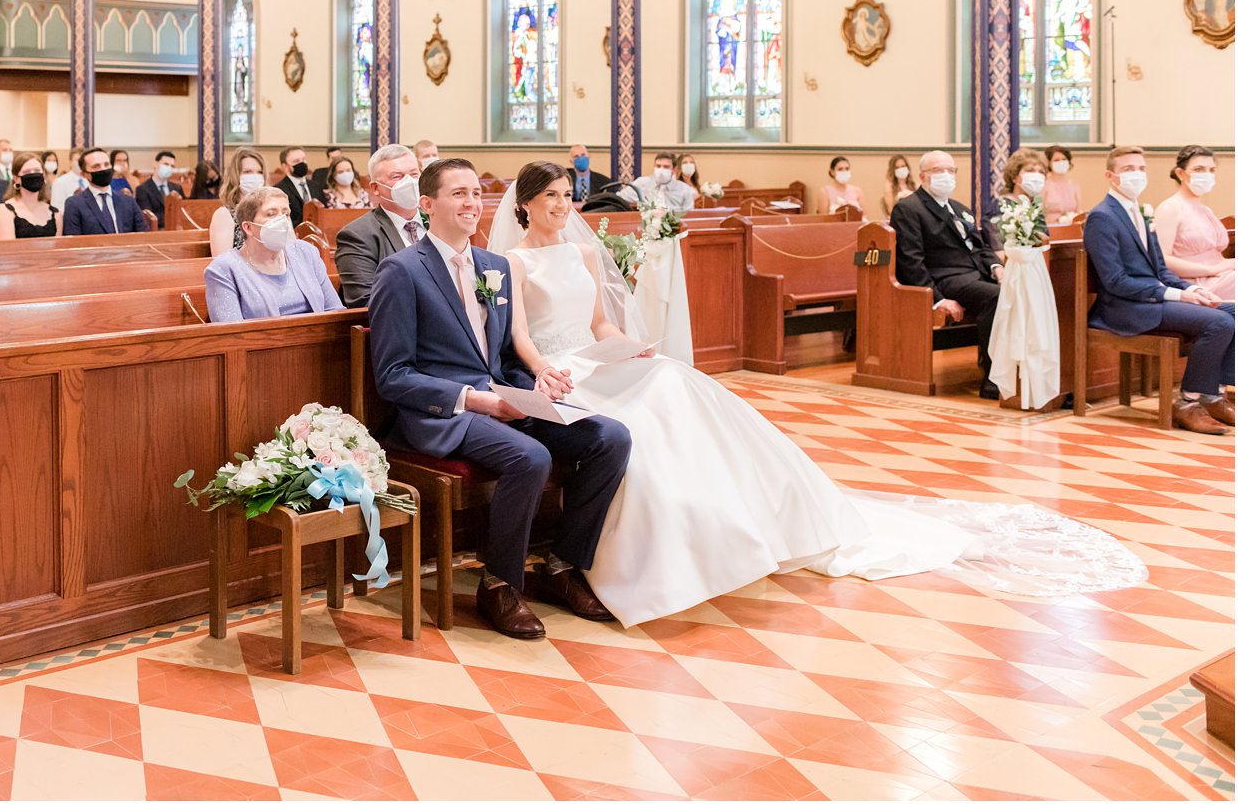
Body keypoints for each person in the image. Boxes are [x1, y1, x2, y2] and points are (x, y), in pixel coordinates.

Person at [483, 159, 1145, 627]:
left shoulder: (587, 253)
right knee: (638, 423)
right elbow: (521, 336)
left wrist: (631, 343)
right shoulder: (511, 260)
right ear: (525, 206)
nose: (564, 208)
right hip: (558, 369)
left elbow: (600, 323)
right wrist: (545, 370)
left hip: (596, 356)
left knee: (673, 383)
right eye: (552, 201)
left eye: (569, 197)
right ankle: (622, 554)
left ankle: (738, 520)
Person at [368, 158, 631, 639]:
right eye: (458, 194)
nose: (472, 203)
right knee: (530, 457)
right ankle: (499, 583)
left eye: (475, 192)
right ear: (427, 205)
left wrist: (536, 384)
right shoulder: (402, 271)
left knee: (609, 437)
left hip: (505, 398)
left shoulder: (494, 266)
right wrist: (479, 400)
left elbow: (507, 352)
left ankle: (561, 566)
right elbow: (393, 375)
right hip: (445, 413)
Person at [1085, 146, 1235, 435]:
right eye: (1129, 169)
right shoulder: (1102, 216)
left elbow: (1162, 270)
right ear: (1110, 176)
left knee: (1233, 311)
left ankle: (1214, 394)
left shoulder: (1142, 211)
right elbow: (1114, 280)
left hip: (1153, 298)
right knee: (1219, 322)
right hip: (1126, 307)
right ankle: (1188, 402)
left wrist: (1191, 288)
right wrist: (1177, 294)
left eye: (1141, 169)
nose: (1137, 175)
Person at [890, 150, 1004, 399]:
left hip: (975, 275)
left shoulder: (959, 208)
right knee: (997, 297)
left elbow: (981, 247)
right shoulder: (909, 209)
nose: (946, 176)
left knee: (1019, 290)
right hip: (947, 279)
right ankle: (992, 379)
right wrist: (938, 299)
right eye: (938, 171)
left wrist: (997, 268)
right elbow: (911, 261)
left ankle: (1017, 371)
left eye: (950, 171)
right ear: (922, 176)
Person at [204, 188, 343, 323]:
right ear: (248, 227)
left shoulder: (306, 252)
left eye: (286, 214)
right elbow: (231, 336)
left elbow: (335, 311)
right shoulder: (223, 269)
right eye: (271, 214)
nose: (282, 221)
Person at [334, 143, 425, 307]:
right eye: (397, 177)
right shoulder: (357, 235)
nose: (410, 182)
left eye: (414, 174)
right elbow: (364, 302)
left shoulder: (439, 223)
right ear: (376, 188)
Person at [1155, 145, 1234, 300]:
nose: (1206, 175)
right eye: (1199, 169)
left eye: (1211, 170)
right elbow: (1163, 260)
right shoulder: (1170, 208)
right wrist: (1212, 269)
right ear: (1180, 173)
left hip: (1222, 275)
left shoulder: (1205, 210)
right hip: (1198, 283)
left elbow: (1218, 256)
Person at [62, 147, 149, 235]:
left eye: (106, 164)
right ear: (84, 174)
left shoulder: (128, 201)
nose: (103, 169)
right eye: (96, 166)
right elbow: (73, 242)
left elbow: (144, 235)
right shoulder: (74, 204)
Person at [984, 148, 1050, 250]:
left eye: (1041, 172)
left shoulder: (1035, 209)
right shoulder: (1000, 207)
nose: (1037, 175)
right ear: (1014, 176)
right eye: (1030, 170)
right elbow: (997, 247)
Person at [211, 147, 267, 257]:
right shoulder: (224, 214)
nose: (255, 177)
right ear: (235, 176)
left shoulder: (271, 211)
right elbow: (222, 264)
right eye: (248, 172)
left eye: (259, 172)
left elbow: (291, 252)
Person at [0, 152, 62, 240]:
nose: (33, 174)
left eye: (37, 171)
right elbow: (7, 249)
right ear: (16, 179)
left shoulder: (56, 214)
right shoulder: (5, 210)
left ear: (43, 175)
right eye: (27, 171)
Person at [630, 151, 696, 211]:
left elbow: (690, 216)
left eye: (666, 167)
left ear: (674, 170)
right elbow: (621, 199)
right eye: (658, 166)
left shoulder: (684, 190)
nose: (661, 170)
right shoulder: (641, 183)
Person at [274, 145, 316, 227]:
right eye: (296, 161)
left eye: (304, 159)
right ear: (285, 166)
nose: (302, 163)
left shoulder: (316, 186)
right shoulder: (279, 190)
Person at [134, 150, 178, 227]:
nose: (169, 168)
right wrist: (172, 218)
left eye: (172, 166)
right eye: (166, 164)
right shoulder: (143, 189)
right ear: (155, 164)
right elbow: (148, 217)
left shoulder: (177, 188)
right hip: (157, 230)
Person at [1043, 144, 1083, 223]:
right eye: (1056, 160)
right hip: (1050, 230)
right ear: (1049, 163)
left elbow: (1078, 211)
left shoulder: (1074, 186)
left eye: (1064, 159)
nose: (1061, 162)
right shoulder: (1044, 186)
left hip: (1071, 229)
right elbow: (1040, 213)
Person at [50, 146, 87, 211]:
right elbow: (56, 209)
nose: (81, 163)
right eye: (78, 160)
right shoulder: (60, 182)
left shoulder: (89, 181)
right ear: (70, 162)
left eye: (83, 160)